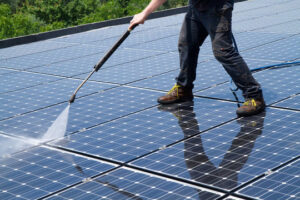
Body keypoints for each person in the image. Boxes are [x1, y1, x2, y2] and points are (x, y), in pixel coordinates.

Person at [129, 0, 265, 117]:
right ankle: (184, 89)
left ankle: (254, 96)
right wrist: (144, 13)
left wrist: (145, 13)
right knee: (186, 44)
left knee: (223, 51)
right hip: (196, 7)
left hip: (218, 7)